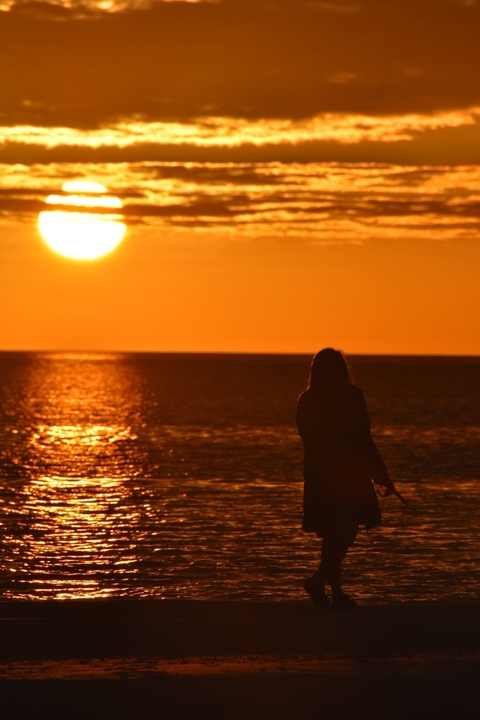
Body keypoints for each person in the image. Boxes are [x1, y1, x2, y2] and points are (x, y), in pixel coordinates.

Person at [296, 348, 394, 610]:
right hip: (346, 476)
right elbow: (363, 437)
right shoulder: (350, 397)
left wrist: (378, 472)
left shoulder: (308, 399)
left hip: (321, 476)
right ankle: (323, 584)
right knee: (342, 531)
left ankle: (332, 590)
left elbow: (311, 440)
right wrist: (379, 472)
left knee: (335, 532)